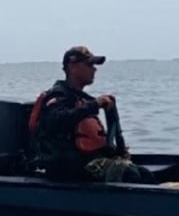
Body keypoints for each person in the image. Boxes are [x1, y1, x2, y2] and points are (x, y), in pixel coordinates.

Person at [28, 45, 155, 184]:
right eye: (89, 65)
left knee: (144, 174)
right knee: (129, 174)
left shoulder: (83, 98)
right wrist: (94, 105)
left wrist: (118, 152)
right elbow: (56, 120)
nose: (94, 69)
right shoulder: (58, 96)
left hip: (88, 162)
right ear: (72, 67)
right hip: (68, 167)